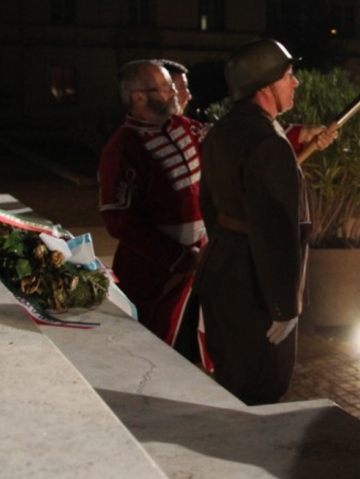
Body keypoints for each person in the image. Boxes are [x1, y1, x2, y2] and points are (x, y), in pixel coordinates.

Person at [194, 39, 314, 405]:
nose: (295, 83)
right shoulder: (268, 141)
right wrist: (284, 306)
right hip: (257, 285)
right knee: (262, 386)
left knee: (230, 381)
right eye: (288, 75)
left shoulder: (221, 131)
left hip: (223, 267)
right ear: (265, 85)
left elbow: (208, 205)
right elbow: (277, 228)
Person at [98, 59, 208, 368]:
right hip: (154, 273)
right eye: (163, 87)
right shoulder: (121, 149)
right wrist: (178, 257)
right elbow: (120, 222)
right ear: (138, 97)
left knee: (193, 349)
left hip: (198, 263)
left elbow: (229, 144)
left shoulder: (184, 126)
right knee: (156, 356)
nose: (173, 92)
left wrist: (296, 137)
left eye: (170, 85)